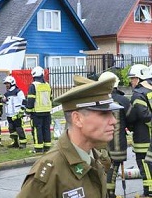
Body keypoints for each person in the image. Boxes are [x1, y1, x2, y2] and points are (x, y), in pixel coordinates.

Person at [17, 75, 121, 198]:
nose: (113, 121)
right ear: (77, 119)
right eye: (104, 114)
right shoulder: (51, 172)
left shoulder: (97, 158)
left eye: (112, 114)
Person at [98, 72, 130, 198]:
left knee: (100, 166)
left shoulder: (97, 100)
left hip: (99, 142)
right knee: (113, 167)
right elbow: (132, 116)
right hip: (117, 142)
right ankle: (110, 193)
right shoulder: (122, 100)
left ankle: (104, 193)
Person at [127, 64, 152, 197]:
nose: (131, 81)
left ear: (140, 78)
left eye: (133, 78)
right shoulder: (149, 92)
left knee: (144, 165)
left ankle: (149, 192)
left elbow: (143, 115)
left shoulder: (138, 95)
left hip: (143, 139)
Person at [26, 66, 52, 153]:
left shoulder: (33, 86)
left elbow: (30, 100)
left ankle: (38, 148)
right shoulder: (47, 85)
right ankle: (47, 147)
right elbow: (50, 98)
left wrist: (28, 111)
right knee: (46, 129)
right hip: (47, 112)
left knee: (37, 130)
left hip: (37, 113)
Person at [2, 75, 27, 149]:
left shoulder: (18, 92)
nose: (6, 85)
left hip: (17, 114)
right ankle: (15, 142)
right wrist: (3, 100)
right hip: (9, 114)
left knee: (19, 128)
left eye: (7, 83)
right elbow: (5, 101)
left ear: (12, 83)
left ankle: (23, 143)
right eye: (6, 84)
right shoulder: (7, 93)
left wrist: (21, 111)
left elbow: (24, 101)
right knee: (11, 129)